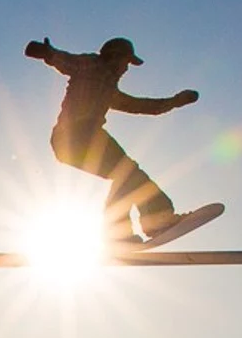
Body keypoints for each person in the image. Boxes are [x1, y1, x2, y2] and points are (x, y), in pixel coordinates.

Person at [26, 35, 200, 245]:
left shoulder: (109, 90)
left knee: (127, 176)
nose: (125, 70)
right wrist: (48, 53)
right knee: (128, 173)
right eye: (126, 63)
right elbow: (67, 61)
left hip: (74, 141)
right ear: (114, 56)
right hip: (75, 136)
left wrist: (174, 102)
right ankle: (152, 221)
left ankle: (121, 235)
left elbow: (140, 106)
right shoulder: (91, 65)